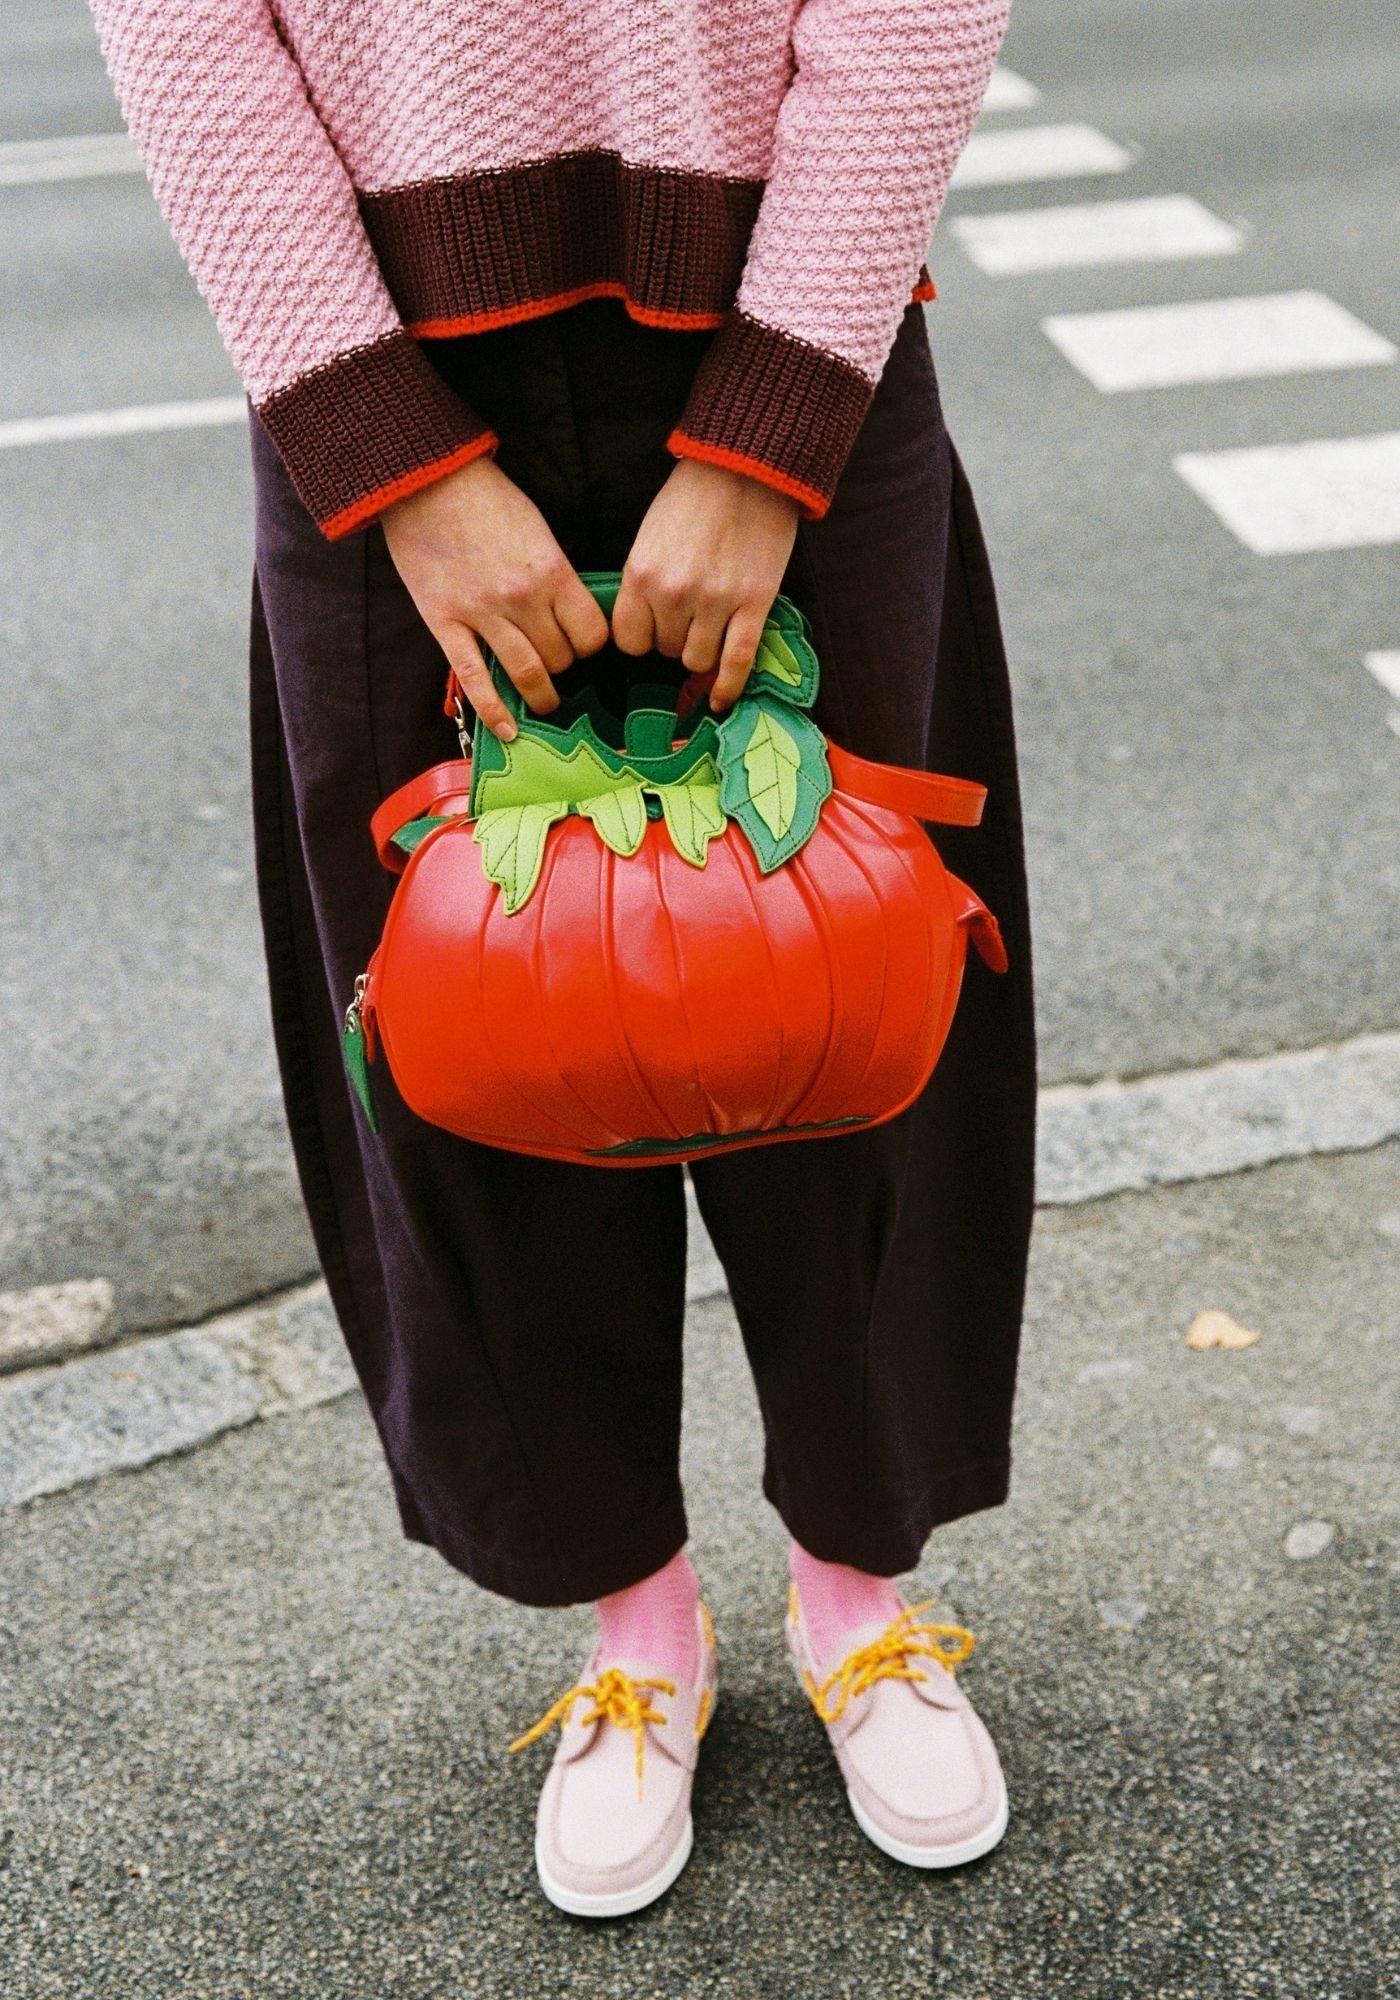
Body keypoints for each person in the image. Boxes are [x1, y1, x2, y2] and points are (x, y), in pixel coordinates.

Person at [90, 0, 1035, 1917]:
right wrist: (393, 461)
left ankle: (857, 1595)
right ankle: (635, 1622)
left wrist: (772, 432)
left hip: (790, 306)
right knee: (474, 1033)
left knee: (855, 993)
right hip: (383, 360)